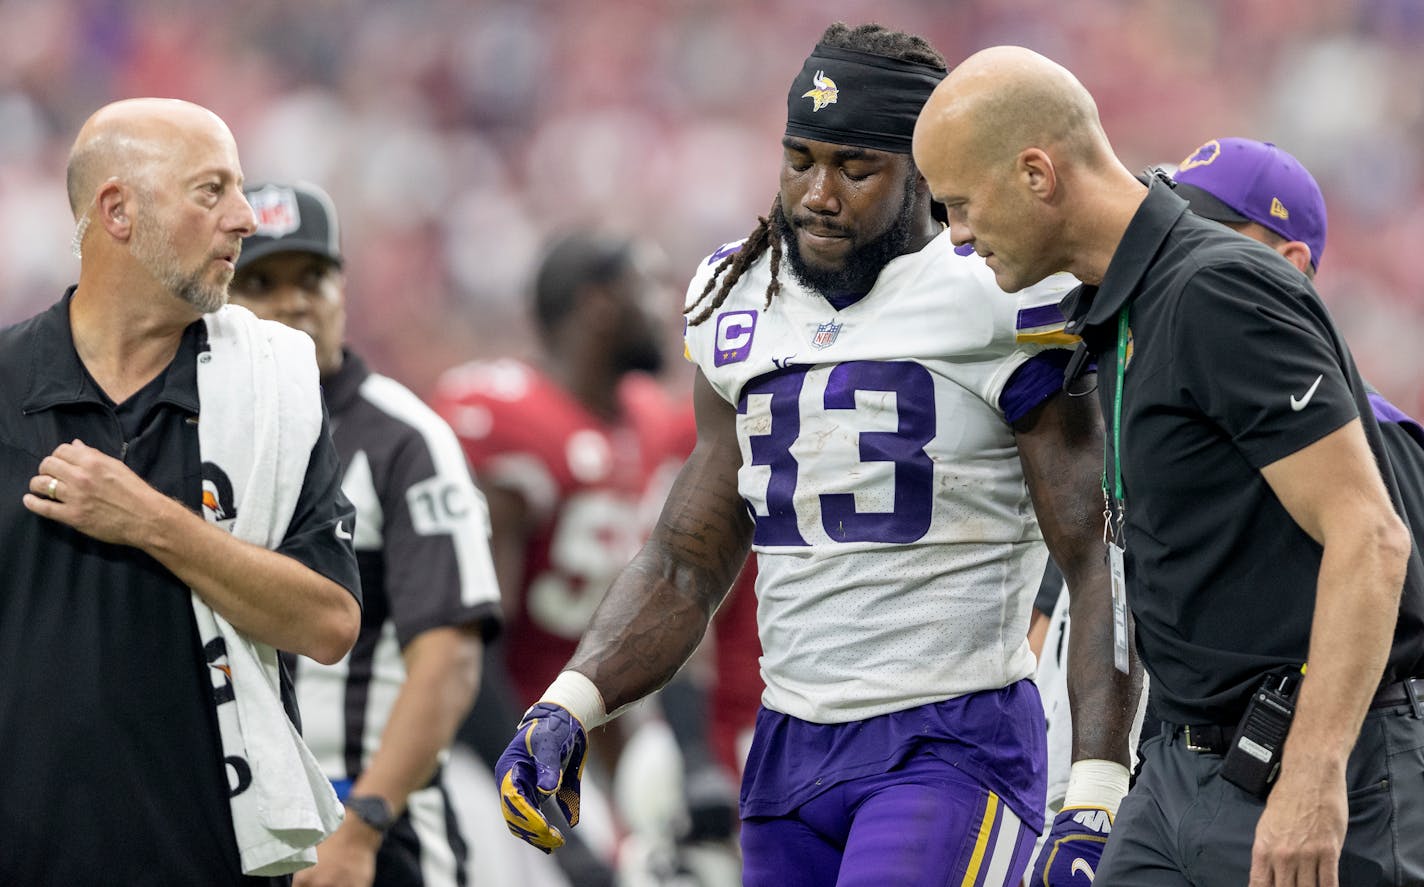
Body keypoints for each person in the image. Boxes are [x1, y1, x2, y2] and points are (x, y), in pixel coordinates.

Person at [494, 23, 1140, 887]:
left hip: (949, 738)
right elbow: (689, 558)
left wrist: (1095, 787)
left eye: (854, 166)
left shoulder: (997, 288)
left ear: (923, 175)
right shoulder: (738, 295)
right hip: (789, 743)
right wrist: (570, 703)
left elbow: (1092, 551)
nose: (817, 194)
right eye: (799, 159)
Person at [914, 47, 1424, 886]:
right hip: (1181, 768)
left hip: (1309, 763)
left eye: (961, 205)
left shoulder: (1214, 288)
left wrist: (1312, 775)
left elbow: (1370, 537)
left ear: (1037, 172)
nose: (959, 237)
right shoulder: (1121, 305)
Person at [0, 99, 363, 886]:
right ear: (118, 210)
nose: (243, 219)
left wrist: (153, 522)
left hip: (214, 860)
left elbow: (329, 621)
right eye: (211, 192)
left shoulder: (275, 388)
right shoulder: (3, 385)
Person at [436, 229, 739, 885]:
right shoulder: (507, 420)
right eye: (646, 286)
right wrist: (559, 830)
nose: (665, 307)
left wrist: (692, 758)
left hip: (606, 737)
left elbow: (678, 608)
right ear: (599, 303)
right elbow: (467, 645)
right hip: (487, 741)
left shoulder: (653, 423)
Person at [229, 181, 503, 887]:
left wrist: (364, 824)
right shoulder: (198, 432)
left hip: (373, 817)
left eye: (313, 277)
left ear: (344, 288)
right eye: (262, 281)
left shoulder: (405, 440)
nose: (293, 302)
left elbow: (450, 656)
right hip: (234, 811)